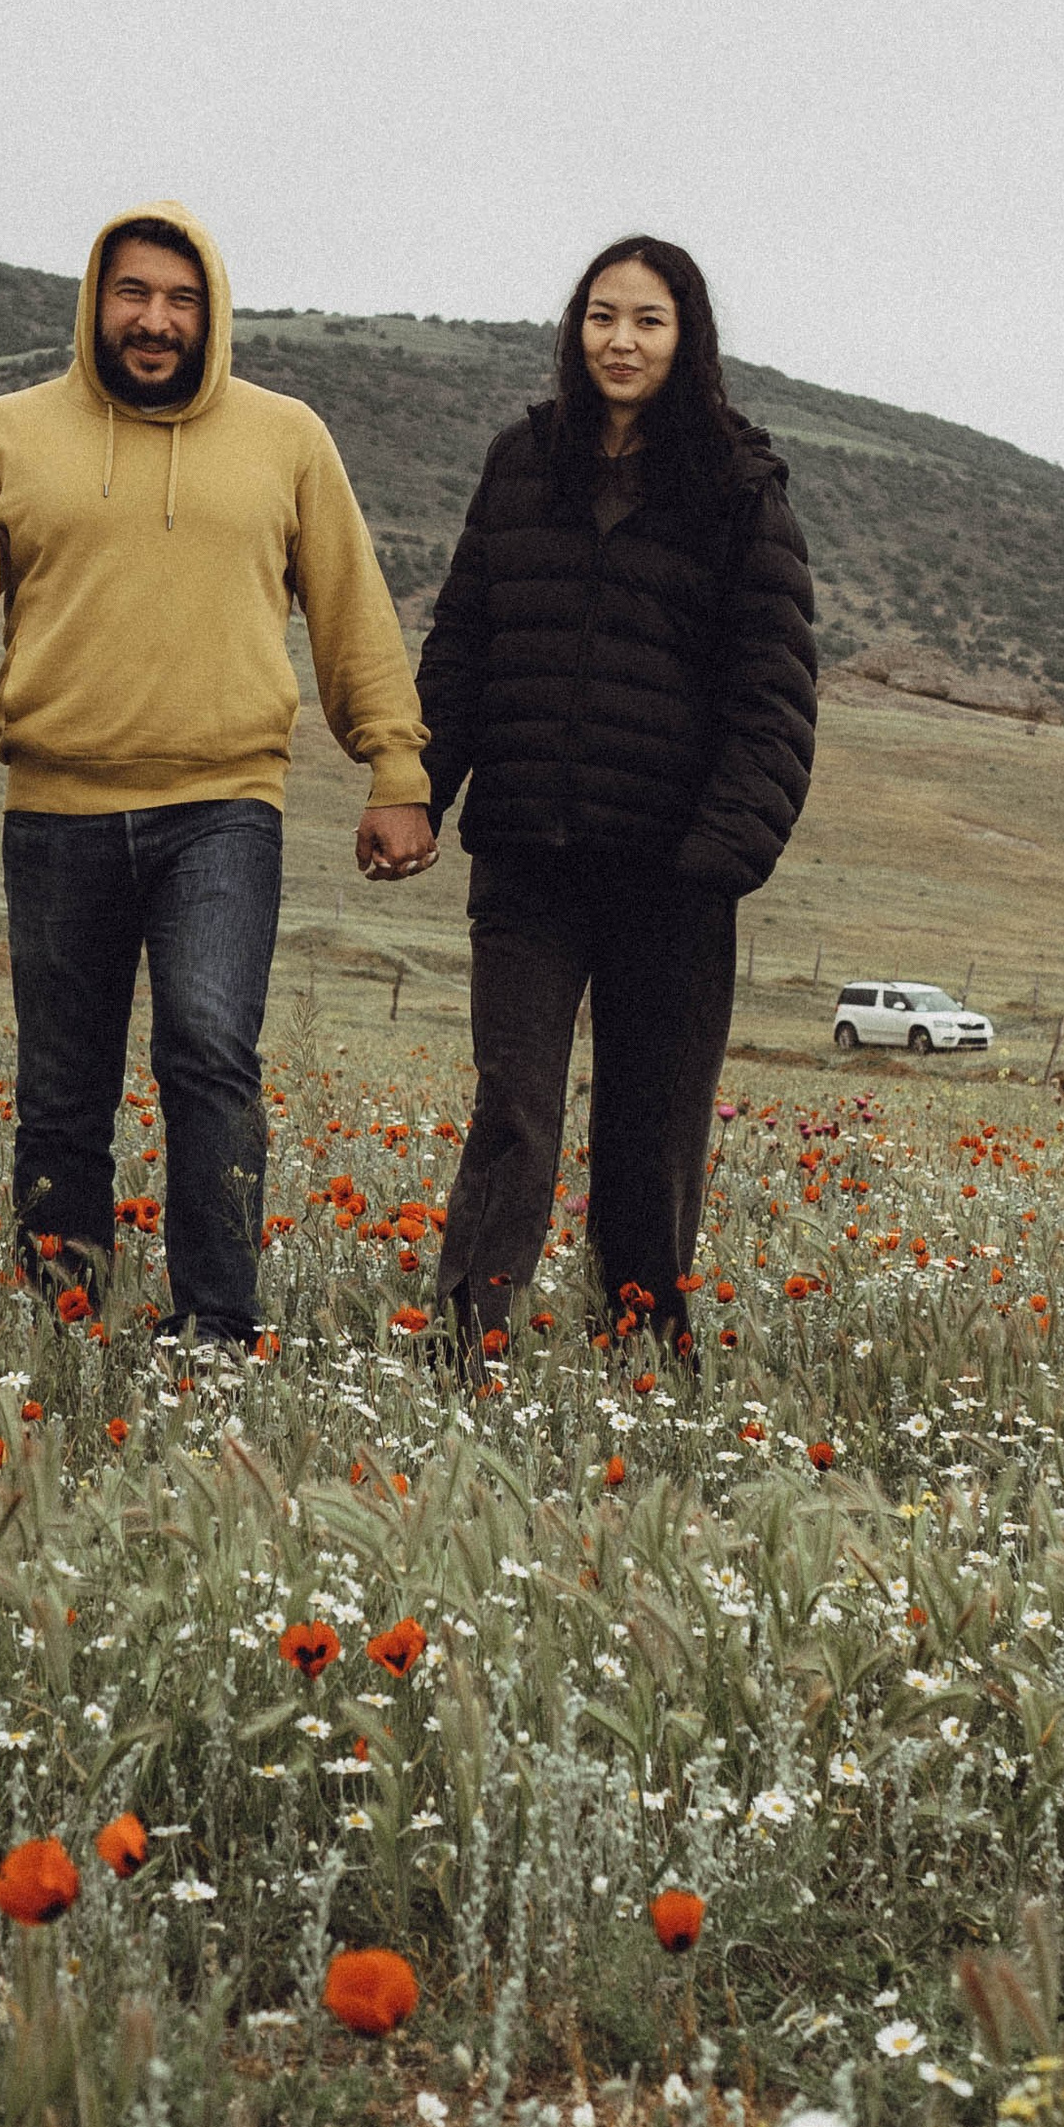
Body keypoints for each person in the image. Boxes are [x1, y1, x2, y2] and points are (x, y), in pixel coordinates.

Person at [0, 203, 435, 1350]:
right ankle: (60, 1321)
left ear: (212, 312)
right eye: (133, 293)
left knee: (207, 1050)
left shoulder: (286, 438)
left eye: (181, 300)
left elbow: (350, 613)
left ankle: (218, 1328)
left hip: (223, 807)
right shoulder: (7, 434)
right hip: (55, 808)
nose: (154, 319)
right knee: (62, 1088)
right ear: (97, 298)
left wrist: (394, 762)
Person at [417, 235, 816, 1364]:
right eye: (601, 316)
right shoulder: (522, 460)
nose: (620, 341)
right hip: (529, 859)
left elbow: (773, 697)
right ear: (573, 329)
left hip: (672, 877)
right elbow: (462, 643)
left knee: (650, 1137)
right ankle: (462, 1343)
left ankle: (640, 1352)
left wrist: (716, 860)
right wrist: (419, 791)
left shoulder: (737, 487)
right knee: (514, 1114)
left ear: (686, 337)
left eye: (646, 320)